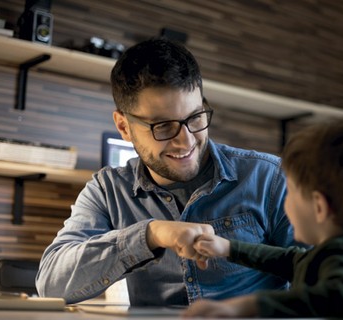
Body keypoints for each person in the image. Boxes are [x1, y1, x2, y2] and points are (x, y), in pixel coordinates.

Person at [35, 37, 297, 306]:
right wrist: (150, 234)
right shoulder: (107, 191)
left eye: (195, 117)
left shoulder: (269, 178)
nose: (185, 142)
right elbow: (52, 284)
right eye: (162, 126)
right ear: (124, 127)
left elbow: (326, 283)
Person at [183, 117, 343, 319]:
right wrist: (229, 248)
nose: (285, 202)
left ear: (319, 207)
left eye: (291, 193)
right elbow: (290, 261)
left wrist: (247, 306)